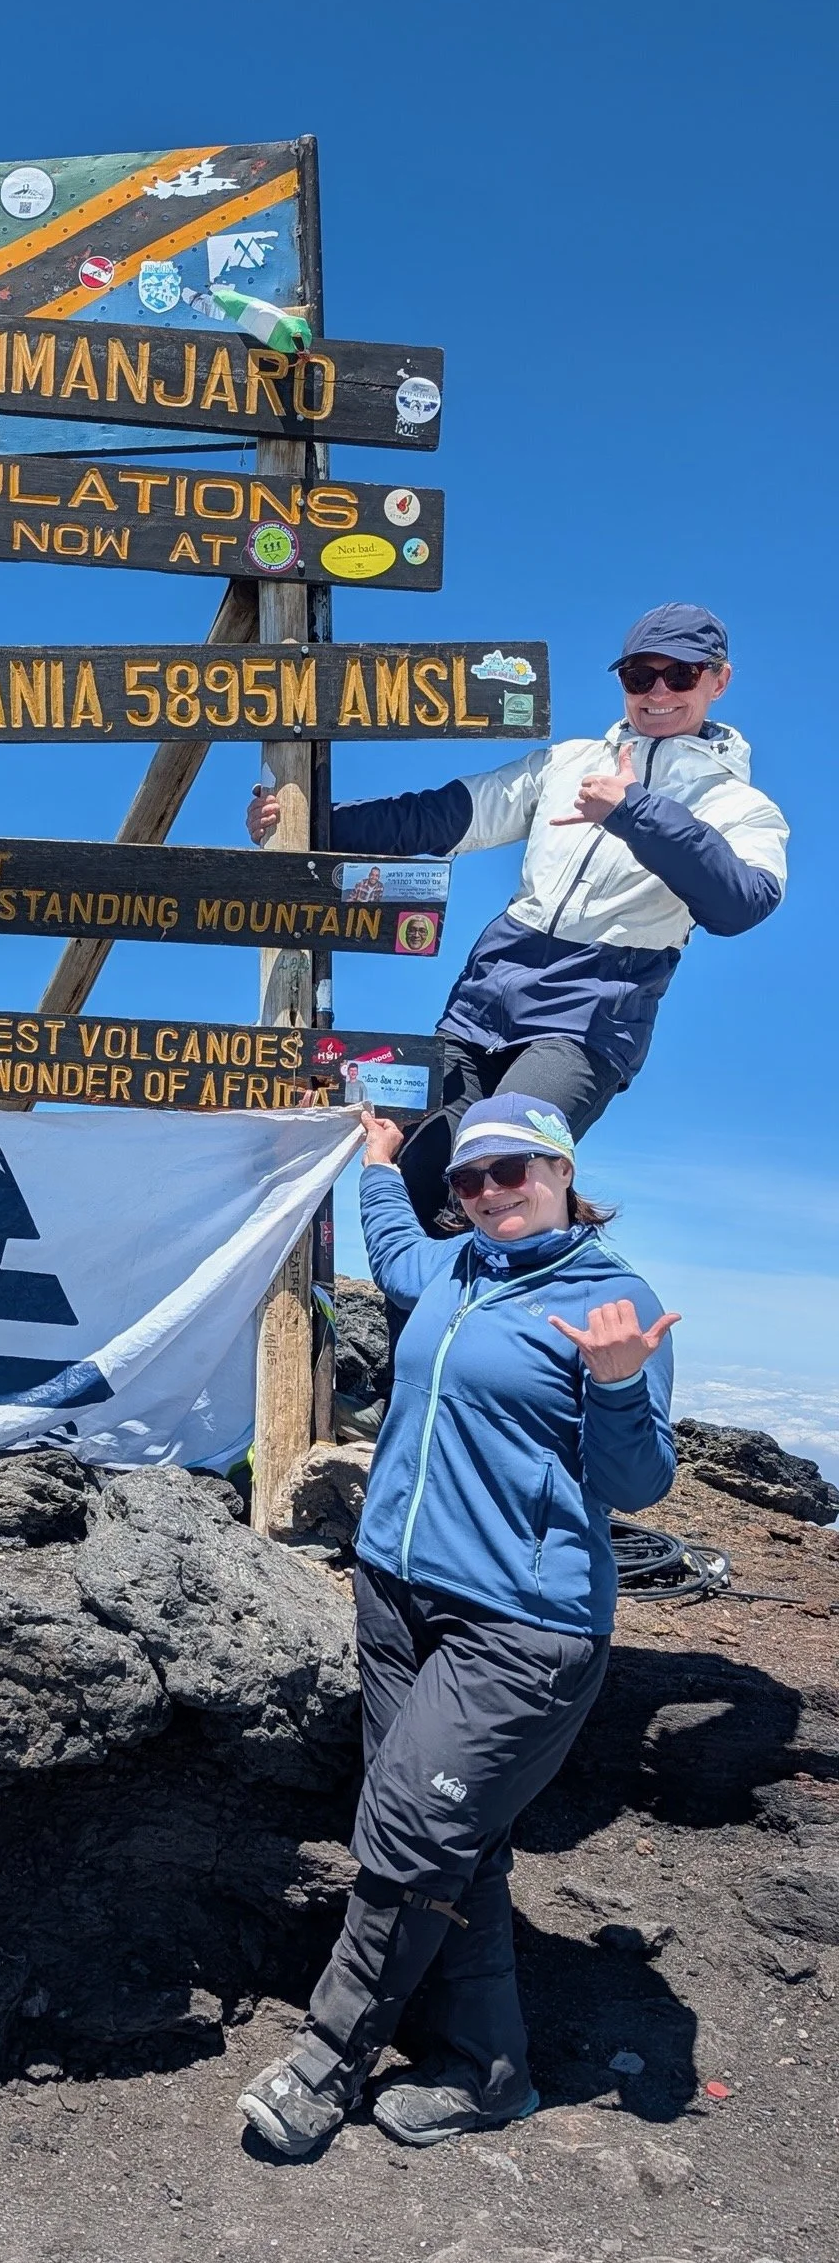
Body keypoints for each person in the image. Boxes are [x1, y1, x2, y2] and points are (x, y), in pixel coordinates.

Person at [238, 1093, 677, 2156]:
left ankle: (325, 2062)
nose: (488, 1191)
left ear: (562, 1171)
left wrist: (617, 1384)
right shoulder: (454, 1270)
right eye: (471, 1179)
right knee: (449, 1845)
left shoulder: (613, 1302)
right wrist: (381, 1163)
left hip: (521, 1628)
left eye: (512, 1170)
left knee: (410, 1837)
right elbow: (394, 1243)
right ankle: (489, 2074)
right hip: (397, 1598)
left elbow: (639, 1481)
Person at [247, 604, 786, 1241]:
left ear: (718, 681)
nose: (659, 693)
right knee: (424, 1179)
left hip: (592, 1013)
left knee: (499, 1162)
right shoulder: (566, 764)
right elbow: (442, 817)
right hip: (485, 998)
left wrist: (635, 812)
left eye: (681, 675)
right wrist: (305, 821)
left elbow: (739, 905)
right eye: (641, 676)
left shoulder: (740, 807)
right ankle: (419, 1340)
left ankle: (531, 1318)